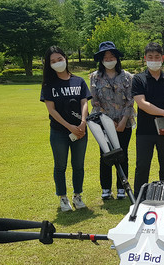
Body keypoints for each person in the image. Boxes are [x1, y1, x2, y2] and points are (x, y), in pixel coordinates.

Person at [40, 46, 91, 212]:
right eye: (53, 61)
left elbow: (84, 102)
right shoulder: (49, 84)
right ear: (49, 64)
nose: (57, 63)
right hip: (59, 132)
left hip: (80, 130)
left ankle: (78, 196)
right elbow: (52, 110)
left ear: (65, 58)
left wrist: (83, 122)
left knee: (78, 165)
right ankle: (63, 198)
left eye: (59, 59)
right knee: (60, 166)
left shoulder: (79, 81)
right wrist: (69, 127)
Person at [89, 41, 136, 200]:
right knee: (105, 154)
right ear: (101, 60)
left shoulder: (128, 77)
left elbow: (130, 100)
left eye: (112, 56)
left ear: (117, 58)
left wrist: (123, 121)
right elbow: (95, 102)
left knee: (123, 154)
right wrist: (109, 123)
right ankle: (106, 188)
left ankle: (122, 187)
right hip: (103, 123)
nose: (109, 59)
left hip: (125, 123)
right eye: (106, 57)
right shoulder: (95, 77)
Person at [131, 42, 164, 196]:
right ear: (145, 58)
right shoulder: (138, 79)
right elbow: (142, 104)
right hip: (145, 131)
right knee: (142, 166)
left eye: (157, 57)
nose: (154, 59)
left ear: (162, 58)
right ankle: (139, 197)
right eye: (150, 57)